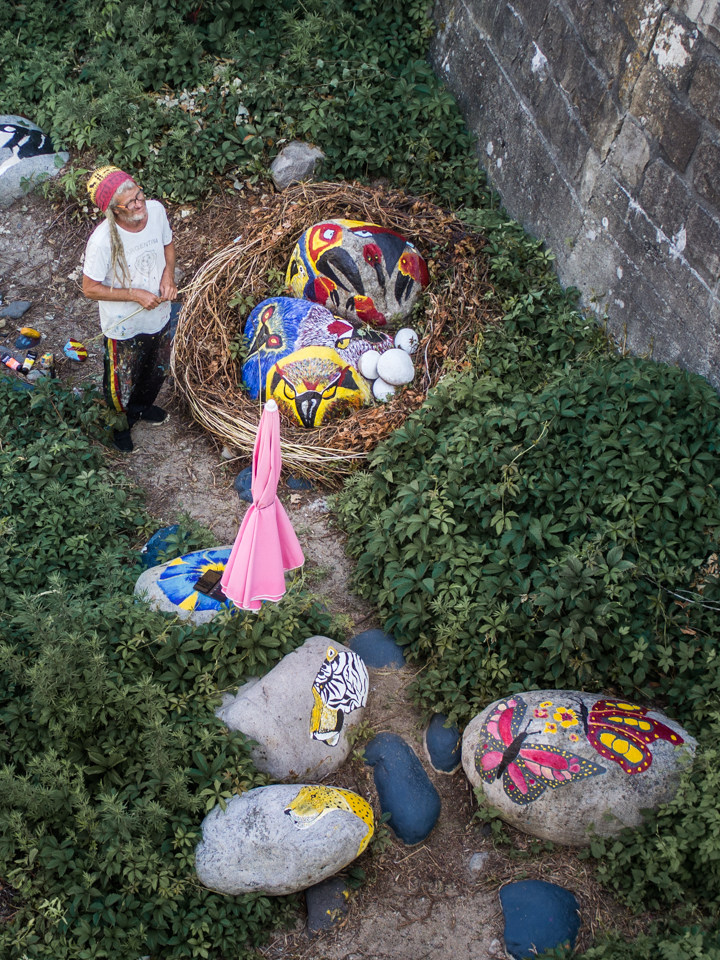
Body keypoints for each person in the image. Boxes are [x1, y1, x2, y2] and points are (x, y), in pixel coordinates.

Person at [82, 165, 178, 452]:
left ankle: (140, 408)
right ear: (115, 210)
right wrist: (134, 295)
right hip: (123, 324)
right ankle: (118, 425)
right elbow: (89, 288)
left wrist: (168, 276)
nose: (140, 205)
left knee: (156, 369)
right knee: (121, 379)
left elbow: (168, 245)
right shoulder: (103, 240)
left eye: (140, 195)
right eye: (131, 202)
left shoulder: (156, 211)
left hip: (159, 313)